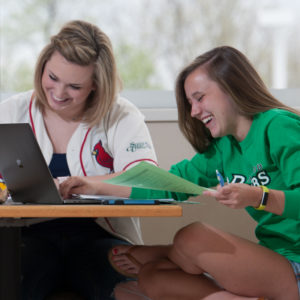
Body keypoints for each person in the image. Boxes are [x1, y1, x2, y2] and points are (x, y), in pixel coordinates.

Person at [60, 46, 300, 300]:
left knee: (193, 237)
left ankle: (171, 251)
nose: (194, 112)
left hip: (295, 266)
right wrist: (91, 185)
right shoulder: (222, 150)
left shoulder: (278, 126)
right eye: (190, 103)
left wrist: (259, 197)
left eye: (200, 97)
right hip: (275, 259)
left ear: (231, 87)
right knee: (153, 279)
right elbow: (163, 183)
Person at [0, 20, 157, 300]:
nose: (59, 94)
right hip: (26, 238)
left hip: (100, 238)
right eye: (53, 78)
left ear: (96, 85)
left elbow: (148, 180)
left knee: (127, 291)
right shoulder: (13, 110)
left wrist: (91, 184)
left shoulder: (120, 115)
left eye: (74, 86)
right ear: (42, 67)